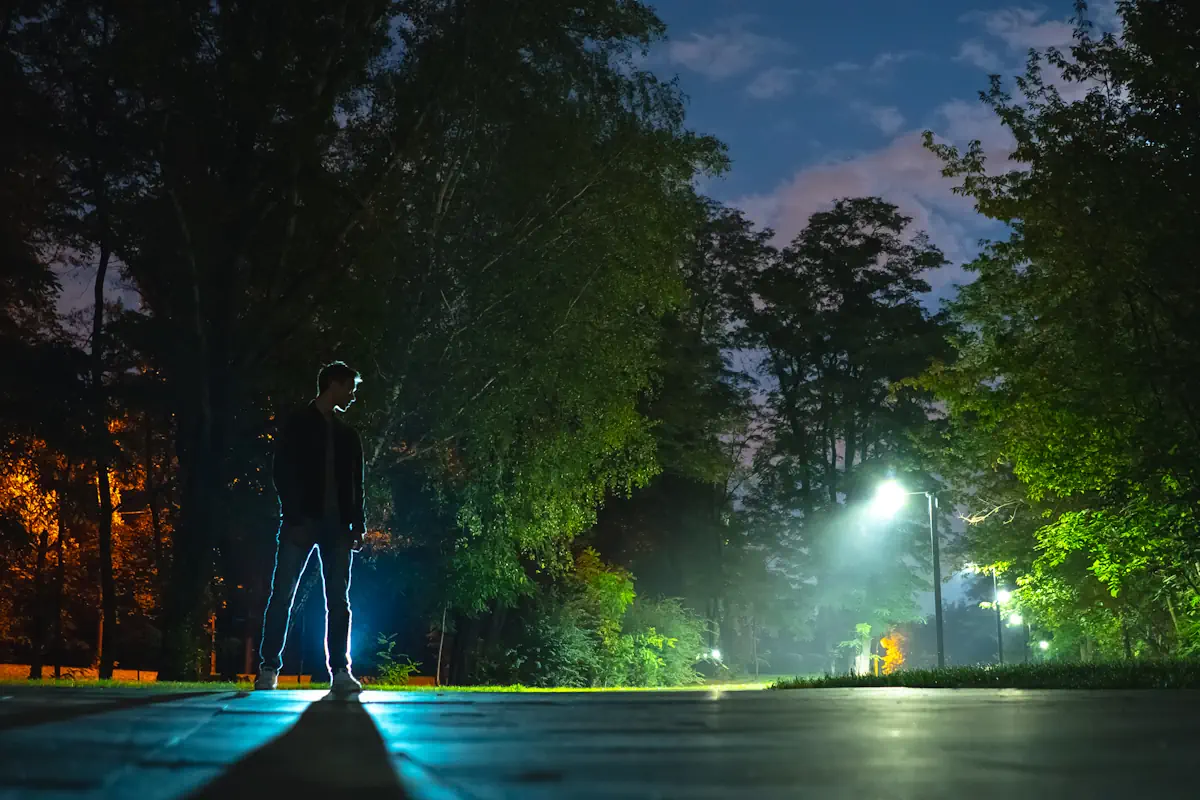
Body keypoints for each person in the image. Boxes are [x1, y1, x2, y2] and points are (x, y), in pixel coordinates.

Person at [256, 361, 366, 694]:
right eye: (350, 388)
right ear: (333, 384)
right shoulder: (299, 424)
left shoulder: (348, 435)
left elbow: (357, 484)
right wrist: (295, 514)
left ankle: (340, 670)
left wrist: (357, 524)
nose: (352, 395)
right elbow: (281, 471)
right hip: (302, 522)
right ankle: (269, 667)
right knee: (283, 595)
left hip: (337, 527)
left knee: (338, 600)